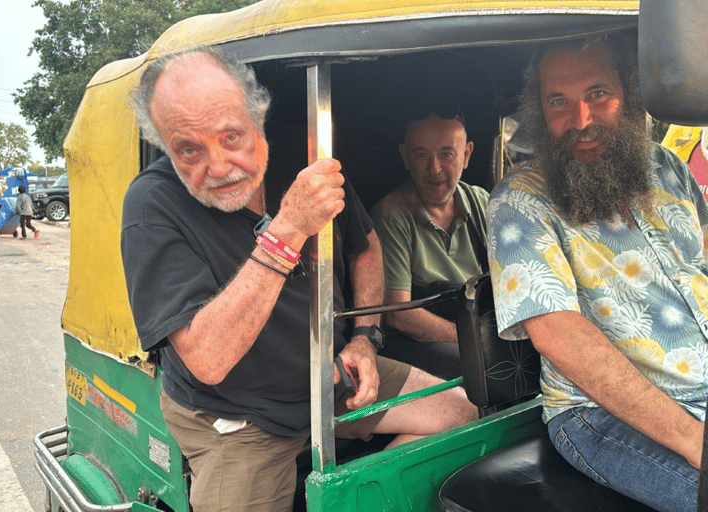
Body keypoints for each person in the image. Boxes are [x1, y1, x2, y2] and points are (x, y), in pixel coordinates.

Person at [120, 46, 477, 512]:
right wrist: (286, 230)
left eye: (231, 137)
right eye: (188, 149)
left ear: (259, 117)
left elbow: (365, 250)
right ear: (166, 145)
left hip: (329, 378)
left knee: (461, 415)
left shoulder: (305, 154)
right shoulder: (151, 207)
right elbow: (208, 360)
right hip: (238, 416)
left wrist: (365, 338)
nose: (219, 166)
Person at [486, 33, 706, 511]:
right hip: (602, 414)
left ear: (628, 93)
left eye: (598, 94)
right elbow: (559, 336)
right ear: (539, 112)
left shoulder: (668, 167)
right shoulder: (520, 202)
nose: (581, 120)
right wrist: (695, 440)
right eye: (559, 101)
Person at [370, 110, 488, 379]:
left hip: (475, 321)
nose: (434, 169)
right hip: (415, 338)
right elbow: (398, 314)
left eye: (447, 154)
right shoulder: (390, 216)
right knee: (477, 367)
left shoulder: (482, 202)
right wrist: (476, 340)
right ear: (405, 156)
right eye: (421, 154)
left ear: (467, 155)